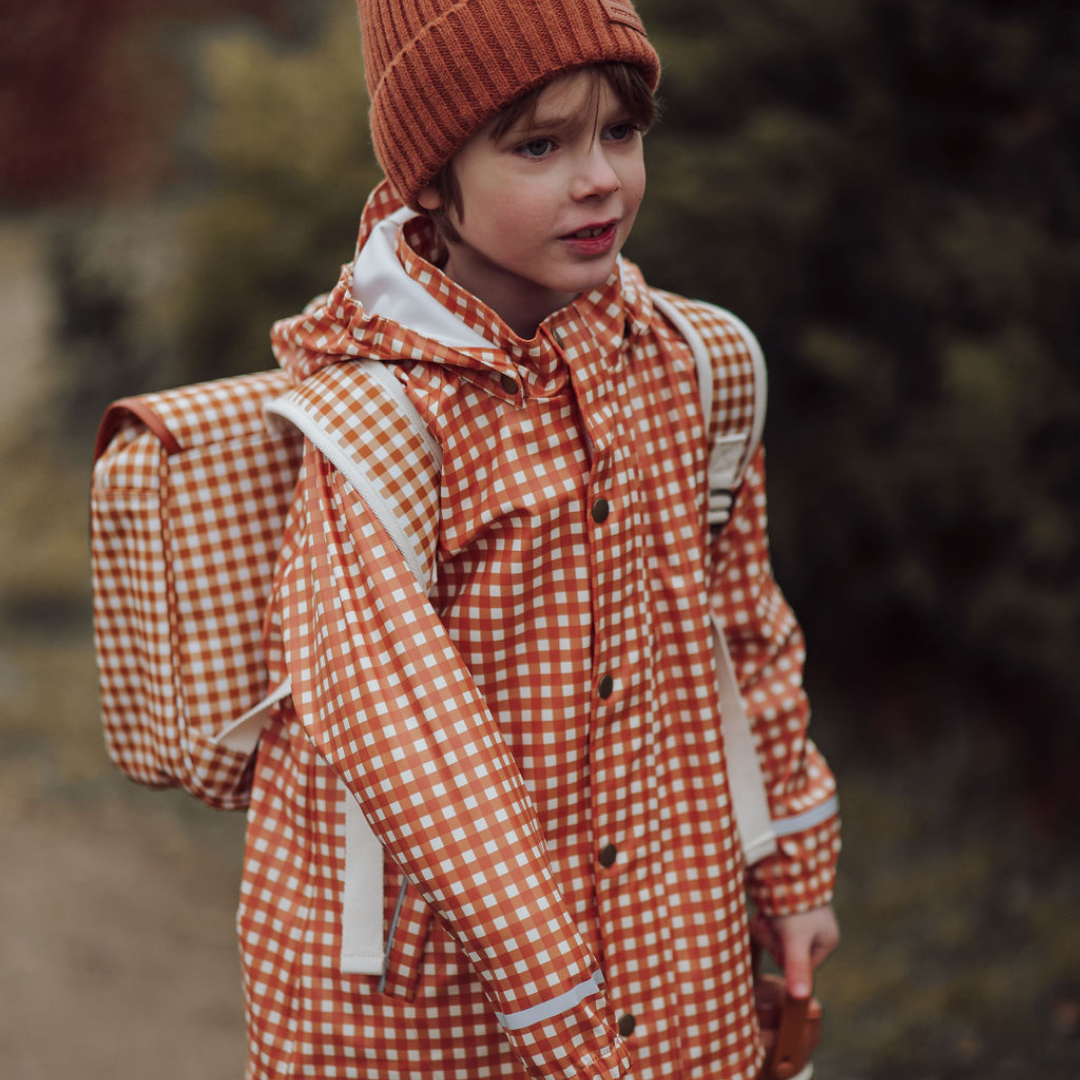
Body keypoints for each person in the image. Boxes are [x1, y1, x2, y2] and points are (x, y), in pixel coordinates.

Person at [243, 1, 840, 1077]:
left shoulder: (691, 365)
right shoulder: (381, 420)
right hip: (437, 998)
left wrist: (792, 875)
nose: (599, 178)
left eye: (621, 132)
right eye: (539, 146)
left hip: (675, 951)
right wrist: (559, 1002)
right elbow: (405, 738)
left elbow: (745, 638)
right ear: (431, 180)